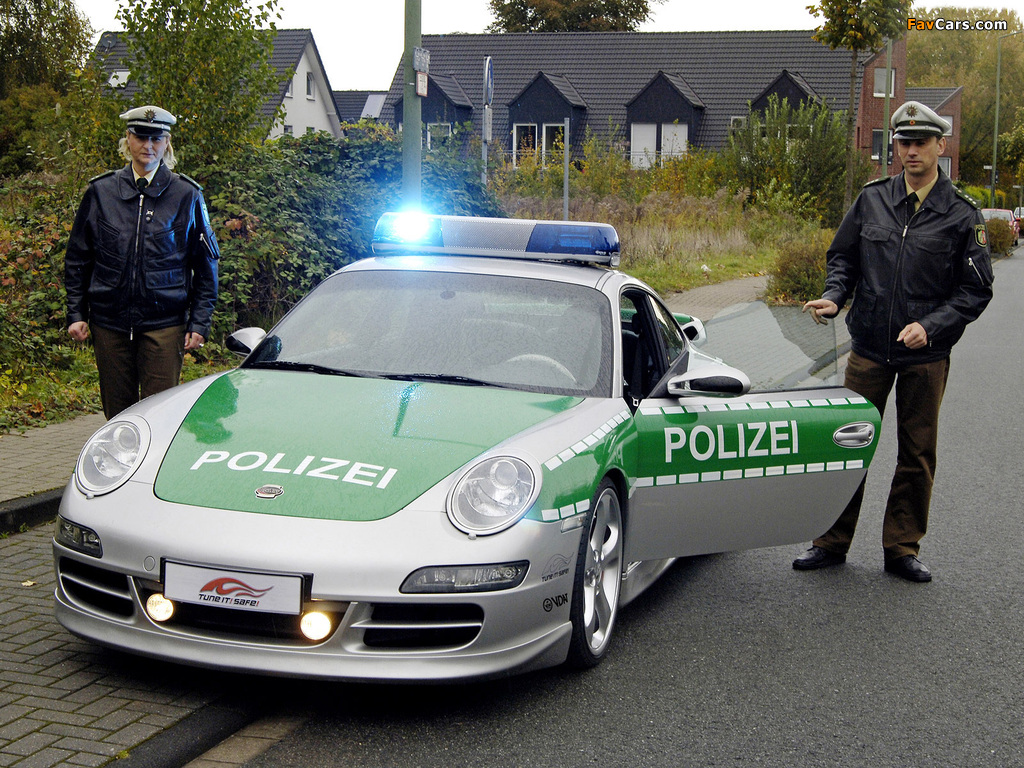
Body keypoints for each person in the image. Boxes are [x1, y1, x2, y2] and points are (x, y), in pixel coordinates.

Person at [795, 100, 994, 583]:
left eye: (920, 142)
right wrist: (834, 296)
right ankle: (830, 541)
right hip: (868, 349)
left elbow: (976, 290)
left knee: (917, 452)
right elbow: (843, 258)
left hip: (926, 355)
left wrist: (933, 326)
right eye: (903, 143)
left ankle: (902, 547)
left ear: (940, 145)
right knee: (848, 444)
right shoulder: (872, 199)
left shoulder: (962, 213)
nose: (910, 151)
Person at [65, 105, 220, 419]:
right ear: (128, 139)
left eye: (156, 138)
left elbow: (206, 266)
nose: (148, 145)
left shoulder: (186, 195)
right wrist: (76, 313)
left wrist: (199, 322)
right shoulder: (101, 192)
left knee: (159, 416)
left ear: (167, 142)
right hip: (110, 324)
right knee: (117, 417)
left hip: (164, 325)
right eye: (141, 137)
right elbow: (78, 257)